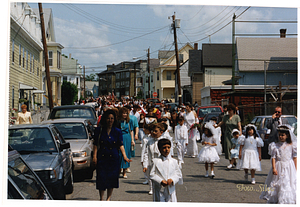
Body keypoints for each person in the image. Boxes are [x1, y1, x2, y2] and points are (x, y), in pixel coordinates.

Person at [92, 110, 131, 201]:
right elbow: (95, 144)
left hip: (113, 157)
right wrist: (94, 156)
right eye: (108, 118)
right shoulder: (99, 130)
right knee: (101, 177)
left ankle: (108, 198)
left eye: (112, 118)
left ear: (114, 120)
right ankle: (101, 198)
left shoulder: (117, 131)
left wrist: (125, 156)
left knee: (112, 178)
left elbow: (120, 144)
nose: (110, 120)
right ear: (105, 119)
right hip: (102, 157)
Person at [259, 125, 297, 204]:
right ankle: (276, 198)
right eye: (279, 135)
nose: (281, 136)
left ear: (287, 135)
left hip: (289, 167)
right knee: (277, 182)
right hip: (278, 166)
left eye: (282, 135)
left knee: (288, 182)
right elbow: (273, 157)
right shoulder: (275, 146)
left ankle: (286, 199)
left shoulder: (291, 145)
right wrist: (274, 168)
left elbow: (294, 157)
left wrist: (296, 169)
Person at [142, 123, 165, 195]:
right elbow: (146, 153)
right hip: (151, 162)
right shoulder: (149, 142)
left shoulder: (163, 141)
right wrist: (145, 165)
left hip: (160, 163)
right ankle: (151, 188)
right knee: (151, 176)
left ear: (161, 132)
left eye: (156, 131)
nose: (153, 133)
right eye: (153, 131)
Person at [118, 107, 135, 179]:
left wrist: (132, 139)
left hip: (127, 137)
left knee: (126, 154)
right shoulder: (118, 121)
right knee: (119, 154)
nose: (124, 115)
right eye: (123, 113)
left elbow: (131, 130)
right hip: (119, 137)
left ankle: (124, 171)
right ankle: (119, 170)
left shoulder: (129, 121)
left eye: (126, 113)